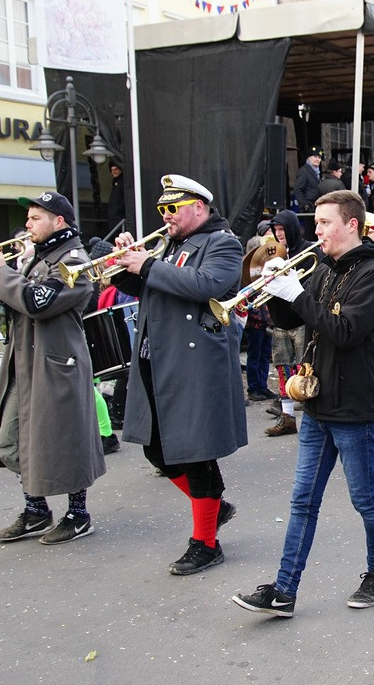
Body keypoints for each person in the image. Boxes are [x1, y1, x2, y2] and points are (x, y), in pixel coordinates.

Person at [233, 189, 374, 618]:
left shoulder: (373, 276)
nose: (316, 230)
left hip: (355, 409)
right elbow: (295, 319)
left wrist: (296, 293)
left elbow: (343, 331)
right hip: (318, 405)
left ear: (351, 225)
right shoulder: (324, 267)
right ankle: (284, 590)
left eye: (324, 222)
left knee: (365, 500)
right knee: (303, 501)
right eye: (317, 223)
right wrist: (270, 286)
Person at [112, 175, 246, 575]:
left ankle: (205, 542)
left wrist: (149, 264)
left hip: (193, 363)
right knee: (157, 449)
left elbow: (208, 284)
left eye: (173, 208)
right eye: (162, 210)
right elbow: (148, 289)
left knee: (196, 452)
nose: (166, 216)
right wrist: (125, 263)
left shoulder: (222, 242)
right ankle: (213, 507)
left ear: (199, 208)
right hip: (158, 359)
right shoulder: (170, 246)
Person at [0, 192, 104, 545]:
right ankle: (36, 509)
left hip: (57, 363)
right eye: (28, 218)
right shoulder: (40, 256)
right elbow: (18, 299)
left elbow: (36, 302)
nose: (27, 225)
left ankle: (78, 514)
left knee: (67, 441)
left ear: (58, 221)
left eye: (35, 218)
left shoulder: (74, 260)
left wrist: (1, 273)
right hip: (26, 362)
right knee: (9, 442)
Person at [264, 209, 317, 437]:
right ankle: (287, 417)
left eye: (282, 229)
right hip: (280, 321)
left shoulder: (307, 251)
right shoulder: (273, 253)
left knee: (305, 369)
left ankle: (311, 418)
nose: (279, 234)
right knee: (283, 370)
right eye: (275, 230)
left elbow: (314, 285)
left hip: (301, 320)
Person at [294, 147, 323, 240]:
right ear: (309, 158)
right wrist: (305, 205)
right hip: (309, 209)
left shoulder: (317, 172)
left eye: (319, 157)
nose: (317, 159)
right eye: (315, 156)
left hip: (316, 208)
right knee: (310, 235)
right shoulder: (304, 171)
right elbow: (298, 190)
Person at [106, 161, 127, 233]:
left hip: (119, 218)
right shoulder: (116, 182)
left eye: (116, 169)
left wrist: (119, 209)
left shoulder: (123, 182)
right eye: (112, 170)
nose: (114, 172)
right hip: (114, 219)